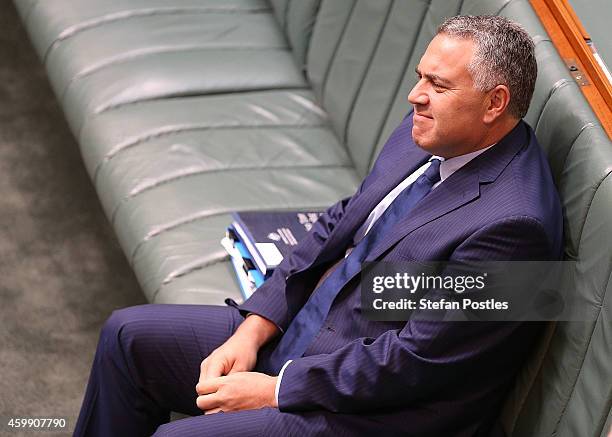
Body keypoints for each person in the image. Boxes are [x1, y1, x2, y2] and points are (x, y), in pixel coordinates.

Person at [74, 15, 562, 436]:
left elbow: (416, 361)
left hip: (375, 412)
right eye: (420, 77)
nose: (415, 96)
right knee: (128, 336)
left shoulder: (515, 227)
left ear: (495, 103)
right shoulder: (433, 131)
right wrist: (253, 328)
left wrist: (278, 390)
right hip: (310, 331)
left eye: (438, 85)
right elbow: (343, 220)